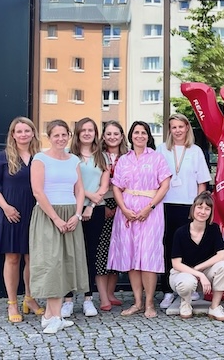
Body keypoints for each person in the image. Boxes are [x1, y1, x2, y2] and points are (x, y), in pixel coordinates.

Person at [29, 120, 88, 334]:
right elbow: (37, 191)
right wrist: (55, 218)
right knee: (52, 264)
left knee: (66, 263)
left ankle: (52, 315)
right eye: (56, 135)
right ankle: (52, 315)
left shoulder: (73, 159)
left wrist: (78, 215)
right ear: (49, 136)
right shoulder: (40, 159)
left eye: (64, 135)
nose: (61, 139)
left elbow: (80, 189)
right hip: (48, 215)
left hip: (71, 214)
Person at [107, 121, 171, 319]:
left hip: (150, 211)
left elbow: (165, 184)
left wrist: (149, 207)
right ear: (131, 135)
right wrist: (124, 209)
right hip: (127, 212)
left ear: (149, 136)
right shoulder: (124, 160)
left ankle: (150, 303)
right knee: (132, 256)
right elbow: (116, 186)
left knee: (148, 256)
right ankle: (137, 302)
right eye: (136, 132)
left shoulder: (157, 158)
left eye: (144, 132)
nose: (140, 136)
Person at [0, 116, 44, 323]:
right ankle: (12, 303)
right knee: (12, 258)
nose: (23, 135)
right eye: (19, 131)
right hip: (10, 214)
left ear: (33, 133)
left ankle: (29, 298)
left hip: (34, 213)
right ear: (13, 134)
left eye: (27, 131)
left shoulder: (40, 157)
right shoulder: (2, 157)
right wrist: (6, 208)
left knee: (32, 258)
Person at [156, 114, 211, 310]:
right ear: (169, 130)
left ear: (187, 128)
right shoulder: (162, 150)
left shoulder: (195, 151)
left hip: (188, 205)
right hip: (166, 205)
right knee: (168, 247)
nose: (178, 130)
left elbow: (202, 182)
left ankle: (191, 286)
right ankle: (168, 291)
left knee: (190, 246)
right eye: (174, 127)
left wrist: (198, 207)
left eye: (181, 126)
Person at [59, 118, 110, 318]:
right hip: (73, 208)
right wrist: (88, 198)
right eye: (84, 130)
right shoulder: (69, 157)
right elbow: (72, 184)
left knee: (89, 254)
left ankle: (88, 299)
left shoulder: (102, 156)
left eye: (91, 130)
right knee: (70, 254)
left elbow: (104, 186)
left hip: (95, 210)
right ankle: (68, 300)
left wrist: (92, 205)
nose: (87, 133)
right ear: (78, 133)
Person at [169, 191, 224, 322]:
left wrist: (199, 269)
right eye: (200, 207)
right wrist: (199, 274)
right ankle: (185, 303)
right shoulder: (180, 232)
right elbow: (176, 264)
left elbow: (221, 255)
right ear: (193, 208)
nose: (203, 211)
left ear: (211, 212)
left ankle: (215, 307)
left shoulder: (213, 229)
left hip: (204, 273)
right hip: (182, 273)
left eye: (207, 209)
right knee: (187, 282)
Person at [98, 121, 129, 308]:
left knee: (116, 247)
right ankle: (102, 296)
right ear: (103, 136)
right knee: (102, 250)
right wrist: (102, 205)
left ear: (121, 136)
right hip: (101, 202)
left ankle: (111, 292)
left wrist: (121, 206)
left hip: (123, 204)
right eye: (108, 134)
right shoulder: (98, 157)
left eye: (115, 133)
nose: (112, 137)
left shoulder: (128, 156)